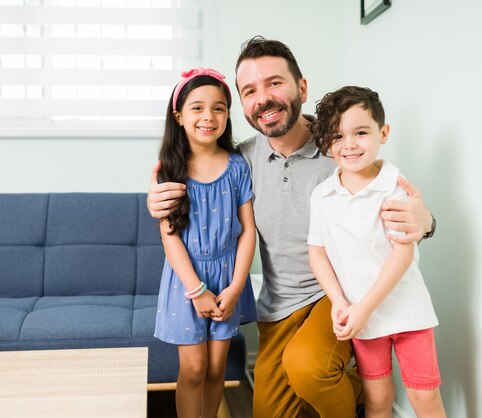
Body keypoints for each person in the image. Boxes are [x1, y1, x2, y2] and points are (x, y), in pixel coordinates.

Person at [148, 37, 435, 418]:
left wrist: (427, 222)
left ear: (301, 87)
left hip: (333, 296)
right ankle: (345, 384)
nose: (263, 98)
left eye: (274, 83)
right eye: (250, 90)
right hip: (279, 305)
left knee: (308, 369)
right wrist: (157, 203)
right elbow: (199, 191)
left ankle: (344, 388)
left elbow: (391, 196)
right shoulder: (241, 160)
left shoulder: (340, 149)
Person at [308, 86, 446, 418]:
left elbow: (402, 254)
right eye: (338, 136)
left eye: (360, 132)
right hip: (360, 317)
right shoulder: (323, 195)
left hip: (406, 313)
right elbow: (317, 252)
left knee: (424, 398)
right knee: (377, 398)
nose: (349, 144)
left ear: (382, 133)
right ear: (327, 143)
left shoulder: (395, 186)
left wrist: (364, 308)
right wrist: (341, 303)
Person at [153, 67, 257, 418]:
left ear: (228, 114)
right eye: (197, 108)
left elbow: (248, 231)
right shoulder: (169, 169)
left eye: (219, 108)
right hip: (187, 281)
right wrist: (197, 291)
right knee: (194, 369)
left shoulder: (238, 167)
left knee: (217, 370)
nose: (208, 117)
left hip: (228, 278)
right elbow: (170, 239)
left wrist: (237, 286)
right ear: (179, 116)